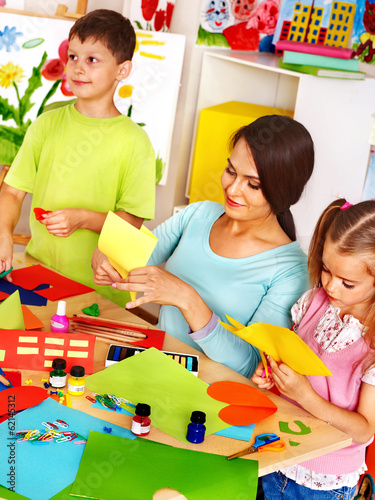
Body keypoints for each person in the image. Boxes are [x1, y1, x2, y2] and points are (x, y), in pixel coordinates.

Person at [92, 114, 314, 377]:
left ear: (284, 192)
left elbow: (250, 365)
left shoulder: (292, 269)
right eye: (231, 171)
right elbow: (136, 259)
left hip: (213, 396)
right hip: (155, 368)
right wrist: (108, 254)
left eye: (252, 184)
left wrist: (187, 299)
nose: (232, 190)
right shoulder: (198, 214)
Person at [0, 9, 155, 308]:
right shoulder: (46, 123)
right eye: (73, 57)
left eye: (92, 60)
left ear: (122, 70)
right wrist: (3, 231)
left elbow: (132, 219)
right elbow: (12, 190)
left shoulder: (135, 142)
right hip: (37, 273)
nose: (77, 68)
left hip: (98, 292)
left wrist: (83, 218)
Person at [252, 198, 375, 500]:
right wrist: (272, 374)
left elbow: (364, 431)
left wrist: (305, 395)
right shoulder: (314, 302)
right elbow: (293, 357)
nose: (331, 287)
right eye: (326, 270)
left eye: (348, 283)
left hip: (324, 480)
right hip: (275, 452)